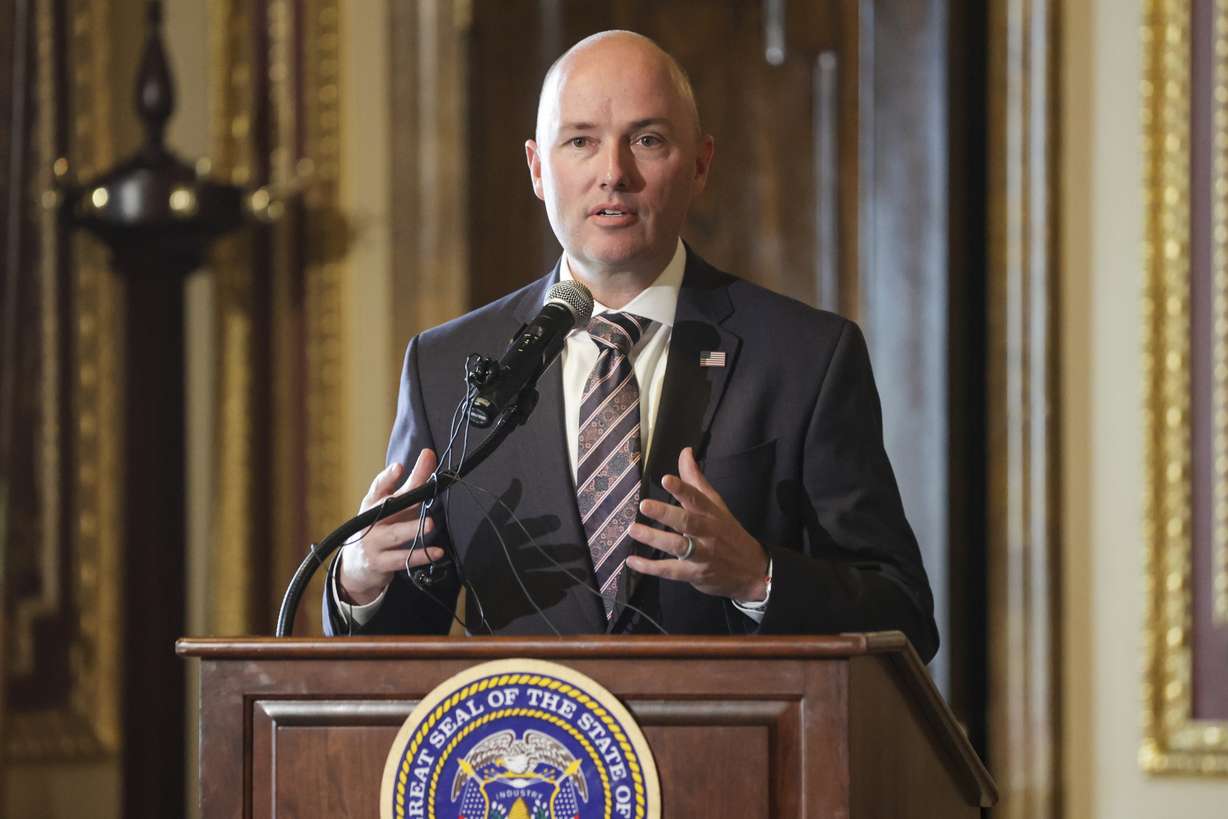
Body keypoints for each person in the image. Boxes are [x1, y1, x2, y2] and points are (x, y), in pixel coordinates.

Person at [323, 30, 938, 661]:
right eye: (581, 142)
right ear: (538, 168)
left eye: (647, 140)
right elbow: (398, 640)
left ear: (699, 163)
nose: (613, 174)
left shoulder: (806, 357)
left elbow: (905, 616)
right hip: (524, 750)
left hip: (730, 752)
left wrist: (759, 577)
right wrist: (361, 579)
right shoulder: (445, 365)